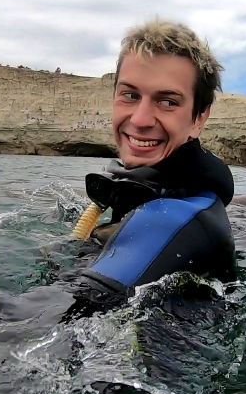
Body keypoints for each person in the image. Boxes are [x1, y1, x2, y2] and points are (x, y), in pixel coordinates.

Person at [74, 19, 235, 306]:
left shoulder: (175, 218)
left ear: (199, 118)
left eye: (168, 102)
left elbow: (47, 319)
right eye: (130, 95)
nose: (139, 120)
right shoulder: (155, 188)